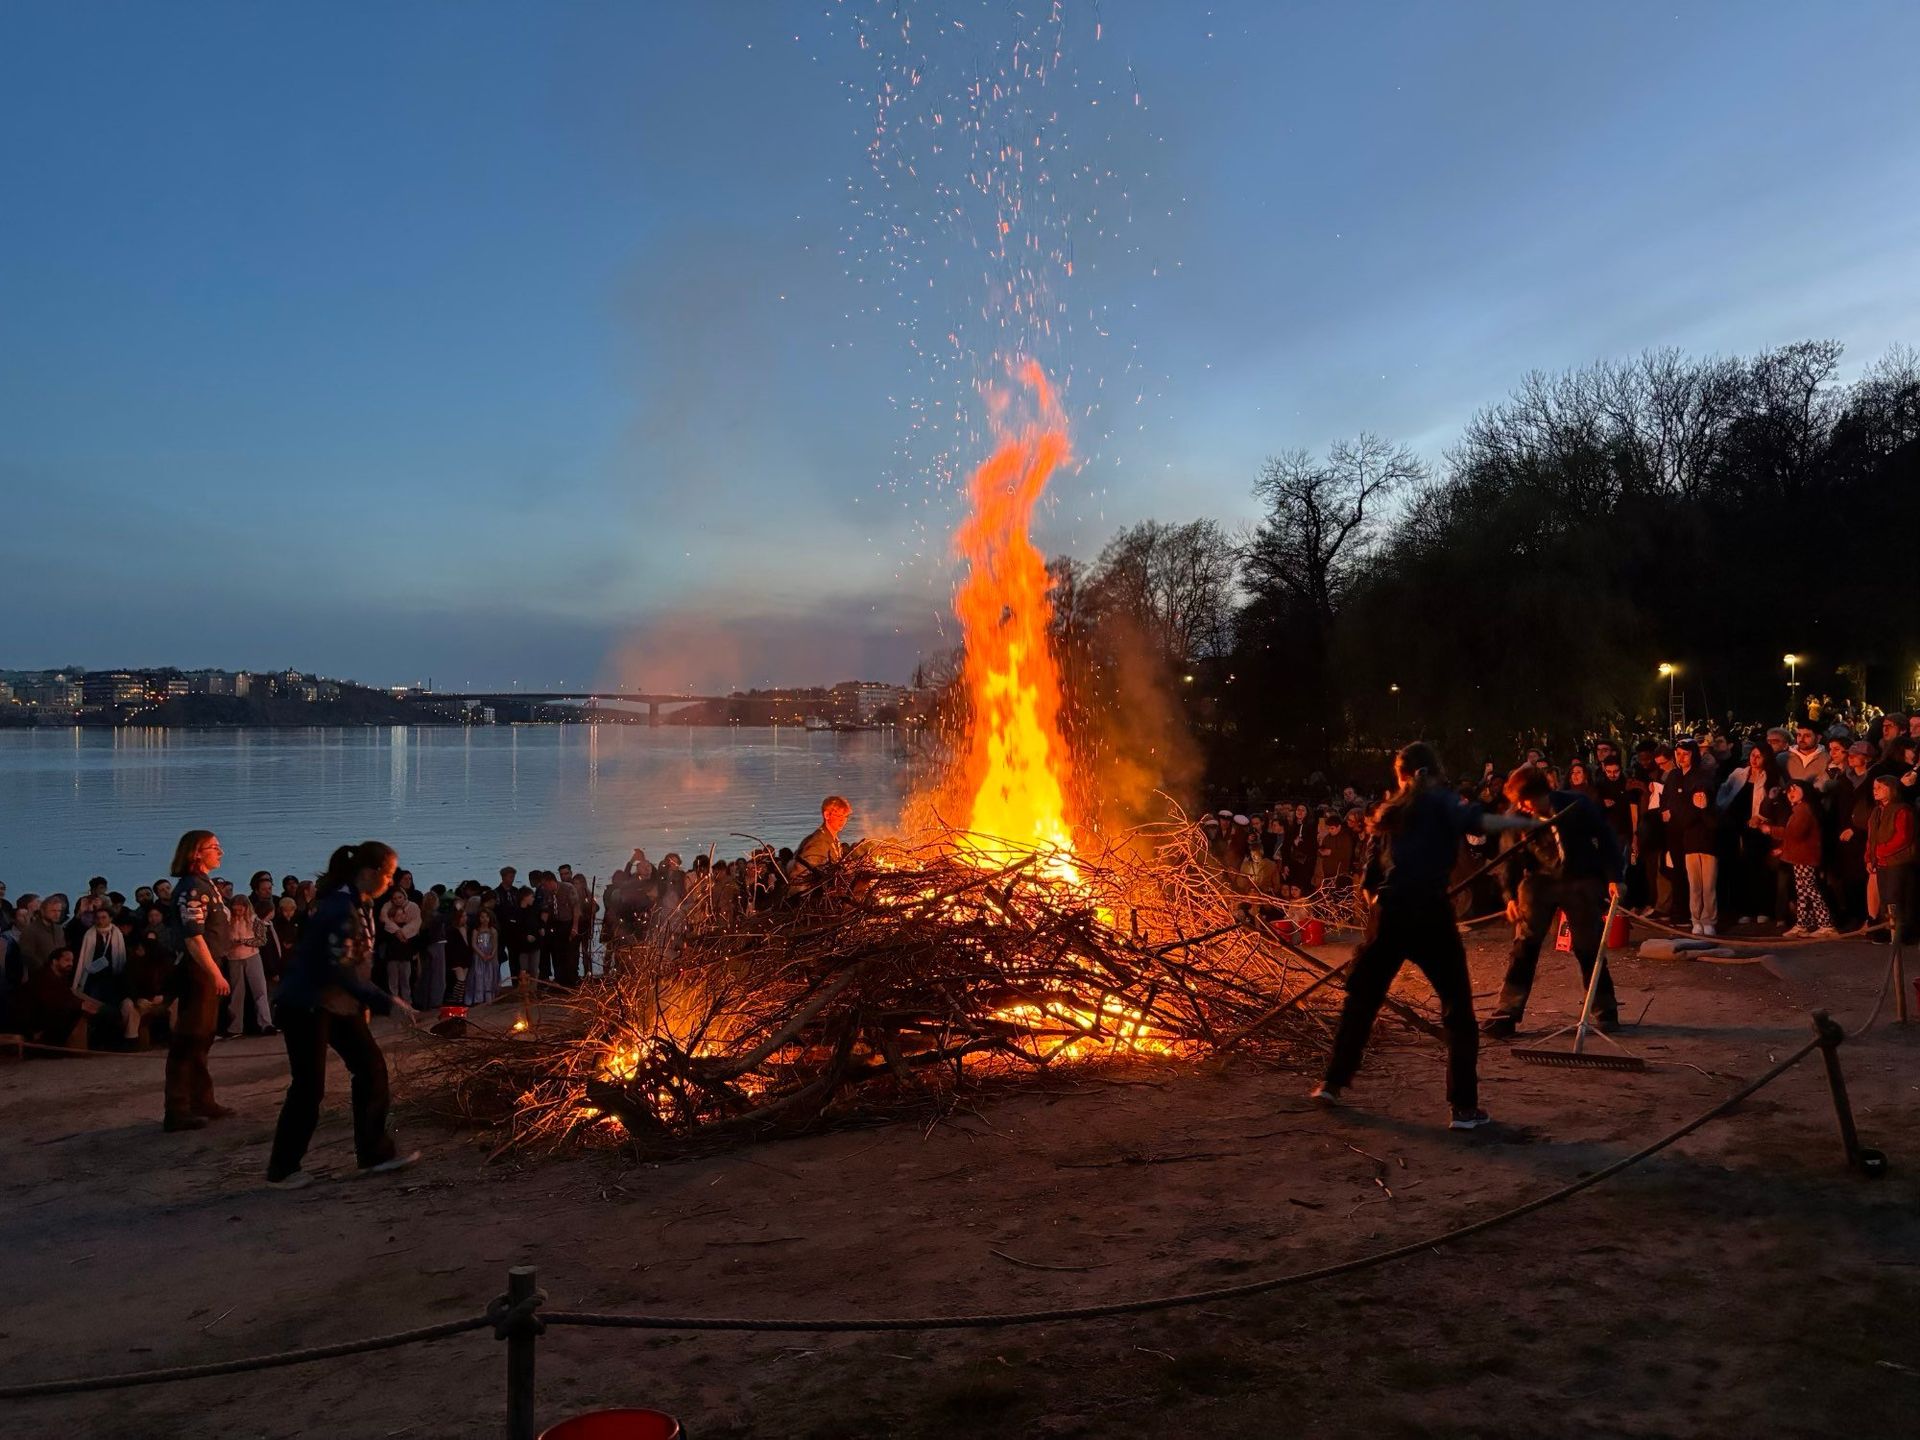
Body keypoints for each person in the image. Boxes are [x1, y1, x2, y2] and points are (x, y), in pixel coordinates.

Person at [1312, 743, 1539, 1131]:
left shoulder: (1390, 811)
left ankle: (1332, 1083)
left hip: (1390, 912)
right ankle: (1464, 1110)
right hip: (1429, 914)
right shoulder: (1436, 801)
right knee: (1458, 1011)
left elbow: (1369, 879)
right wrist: (1530, 824)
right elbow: (1481, 823)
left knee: (1362, 998)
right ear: (1426, 773)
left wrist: (1382, 909)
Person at [265, 840, 420, 1190]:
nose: (391, 882)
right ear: (369, 873)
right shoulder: (338, 908)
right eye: (389, 874)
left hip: (339, 1003)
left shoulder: (360, 904)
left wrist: (363, 1004)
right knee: (308, 1086)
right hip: (307, 1003)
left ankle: (374, 1153)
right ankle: (283, 1169)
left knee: (371, 1069)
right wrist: (386, 1002)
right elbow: (339, 969)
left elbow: (357, 962)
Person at [1482, 766, 1626, 1039]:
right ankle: (1506, 1013)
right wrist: (1509, 897)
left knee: (1589, 948)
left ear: (1542, 793)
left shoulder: (1576, 805)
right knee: (1524, 948)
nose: (1523, 806)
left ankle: (1605, 1011)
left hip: (1580, 880)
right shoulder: (1517, 817)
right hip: (1539, 883)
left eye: (1526, 800)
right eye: (1519, 802)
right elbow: (1508, 861)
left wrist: (1614, 877)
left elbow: (1606, 838)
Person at [166, 829, 234, 1132]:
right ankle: (178, 1109)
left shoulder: (205, 884)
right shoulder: (193, 887)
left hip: (208, 967)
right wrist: (214, 973)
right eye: (214, 847)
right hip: (199, 970)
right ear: (196, 853)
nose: (220, 852)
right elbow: (194, 937)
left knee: (203, 1036)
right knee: (190, 1038)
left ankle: (201, 1100)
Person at [1660, 741, 1721, 936]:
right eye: (1678, 754)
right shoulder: (1673, 776)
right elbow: (1667, 800)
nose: (1681, 758)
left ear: (1693, 755)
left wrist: (1686, 809)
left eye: (1685, 754)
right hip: (1682, 835)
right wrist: (1666, 811)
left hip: (1703, 835)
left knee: (1707, 883)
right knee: (1692, 881)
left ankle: (1709, 919)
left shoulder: (1702, 776)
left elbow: (1701, 802)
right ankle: (1694, 918)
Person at [1763, 780, 1836, 937]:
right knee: (1802, 891)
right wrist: (1783, 849)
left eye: (1795, 789)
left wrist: (1771, 830)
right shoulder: (1799, 810)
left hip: (1804, 857)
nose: (1791, 792)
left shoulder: (1803, 810)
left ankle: (1826, 924)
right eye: (1789, 790)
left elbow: (1795, 834)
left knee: (1809, 889)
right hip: (1799, 856)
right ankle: (1803, 923)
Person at [1865, 776, 1916, 944]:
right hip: (1881, 862)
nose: (1876, 790)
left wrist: (1881, 851)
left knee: (1897, 897)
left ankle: (1903, 931)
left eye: (1880, 787)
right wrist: (1869, 856)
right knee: (1885, 897)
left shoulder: (1902, 811)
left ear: (1892, 789)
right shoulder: (1876, 811)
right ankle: (1888, 930)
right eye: (1874, 787)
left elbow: (1903, 838)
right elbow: (1871, 836)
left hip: (1897, 861)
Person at [221, 895, 276, 1038]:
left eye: (241, 910)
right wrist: (231, 944)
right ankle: (235, 1027)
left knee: (260, 991)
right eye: (236, 910)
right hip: (233, 958)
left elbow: (261, 939)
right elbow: (223, 940)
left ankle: (266, 1023)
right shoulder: (227, 922)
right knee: (237, 993)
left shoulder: (254, 920)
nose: (238, 912)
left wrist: (245, 941)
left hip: (252, 957)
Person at [789, 796, 853, 896]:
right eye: (839, 816)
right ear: (827, 815)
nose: (843, 821)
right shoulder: (818, 841)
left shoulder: (832, 838)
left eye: (845, 817)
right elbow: (799, 876)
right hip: (806, 898)